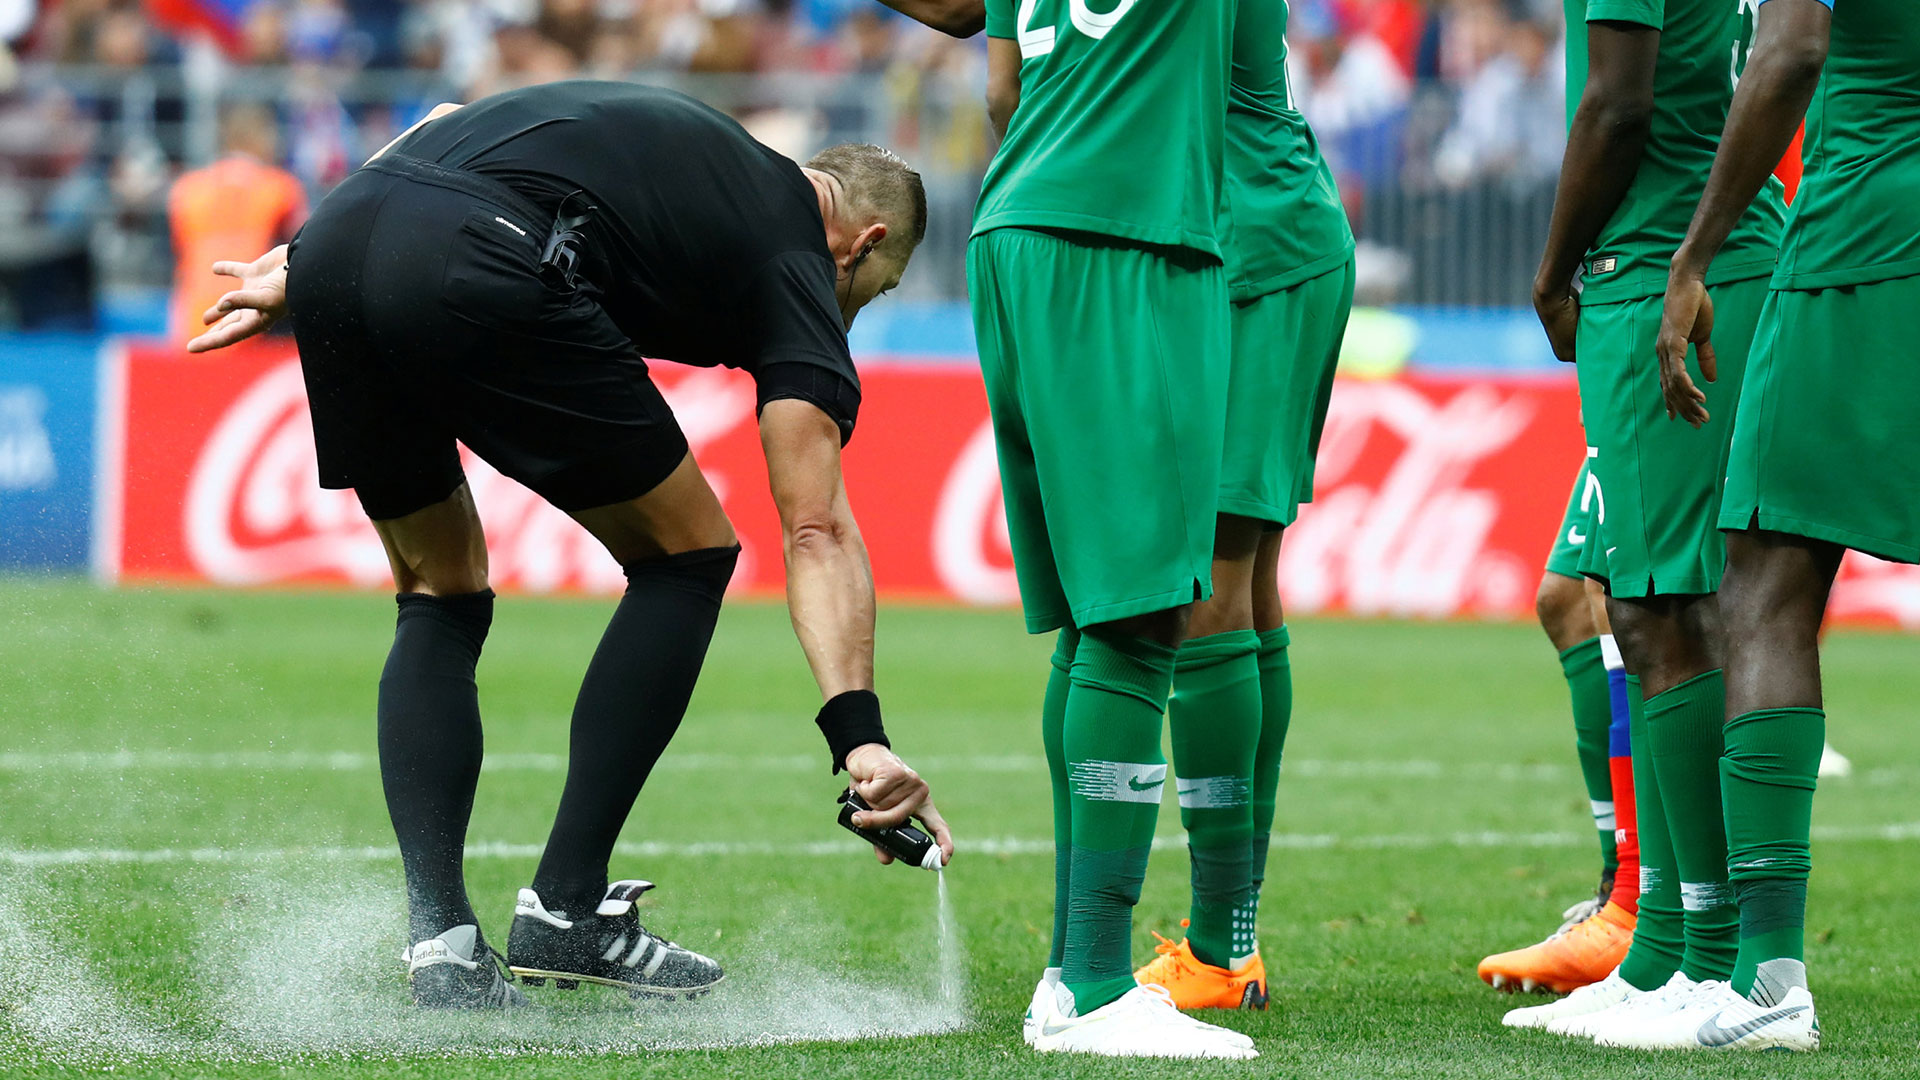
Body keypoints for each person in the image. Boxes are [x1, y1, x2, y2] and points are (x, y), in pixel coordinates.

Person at [187, 80, 954, 1010]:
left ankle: (444, 943)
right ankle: (567, 909)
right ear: (864, 243)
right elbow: (816, 524)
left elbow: (434, 125)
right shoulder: (795, 251)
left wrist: (314, 256)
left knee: (439, 589)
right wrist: (859, 738)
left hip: (339, 236)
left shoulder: (686, 144)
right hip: (476, 251)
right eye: (878, 290)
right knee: (687, 556)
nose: (860, 311)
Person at [964, 0, 1252, 1060]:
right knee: (1137, 619)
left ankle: (1068, 968)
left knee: (1097, 626)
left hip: (1019, 229)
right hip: (1124, 239)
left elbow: (1001, 87)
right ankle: (1092, 981)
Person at [1623, 0, 1907, 1050]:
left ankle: (1769, 973)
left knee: (1762, 587)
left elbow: (1791, 46)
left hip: (1865, 242)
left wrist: (1692, 255)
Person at [1505, 0, 1787, 1042]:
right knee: (1643, 610)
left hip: (1666, 271)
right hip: (1686, 263)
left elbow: (1616, 106)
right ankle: (1665, 945)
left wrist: (1549, 272)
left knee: (1674, 615)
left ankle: (1707, 960)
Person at [1127, 0, 1355, 1014]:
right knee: (1246, 579)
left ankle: (1221, 947)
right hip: (1256, 240)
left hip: (1253, 251)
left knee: (1213, 577)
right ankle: (1231, 934)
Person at [1479, 464, 1640, 994]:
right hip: (1615, 382)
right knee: (1568, 598)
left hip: (1669, 389)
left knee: (1624, 590)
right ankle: (1622, 885)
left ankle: (1653, 899)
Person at [167, 102, 307, 346]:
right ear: (257, 136)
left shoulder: (187, 188)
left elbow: (179, 251)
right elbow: (303, 254)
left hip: (195, 317)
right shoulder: (280, 187)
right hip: (252, 316)